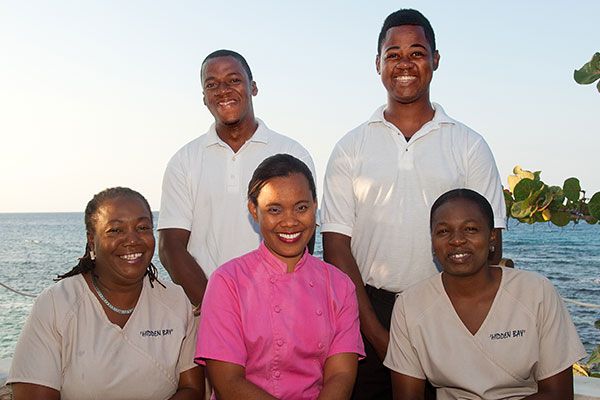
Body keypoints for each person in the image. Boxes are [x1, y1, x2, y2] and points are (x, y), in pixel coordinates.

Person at [320, 9, 507, 399]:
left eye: (417, 53)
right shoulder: (350, 148)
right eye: (393, 54)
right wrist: (377, 335)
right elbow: (336, 247)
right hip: (367, 312)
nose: (404, 64)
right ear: (378, 64)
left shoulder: (469, 145)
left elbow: (490, 243)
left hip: (447, 308)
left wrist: (466, 322)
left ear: (435, 60)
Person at [385, 188, 587, 399]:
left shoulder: (536, 293)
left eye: (471, 229)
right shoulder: (410, 306)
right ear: (432, 241)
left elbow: (559, 394)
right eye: (443, 231)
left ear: (492, 237)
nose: (457, 240)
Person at [7, 187, 204, 400]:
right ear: (92, 241)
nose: (132, 239)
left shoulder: (176, 301)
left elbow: (192, 390)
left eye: (143, 227)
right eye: (115, 230)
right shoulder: (56, 304)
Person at [195, 154, 365, 400]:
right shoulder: (227, 282)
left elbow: (341, 375)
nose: (290, 221)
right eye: (275, 209)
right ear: (254, 210)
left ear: (315, 206)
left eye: (301, 207)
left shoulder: (339, 285)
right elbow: (227, 381)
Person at [158, 49, 316, 310]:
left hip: (279, 309)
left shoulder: (292, 153)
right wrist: (218, 308)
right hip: (206, 310)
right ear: (204, 97)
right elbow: (170, 247)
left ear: (253, 87)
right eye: (212, 84)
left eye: (233, 80)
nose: (223, 90)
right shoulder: (184, 161)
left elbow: (302, 235)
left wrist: (277, 305)